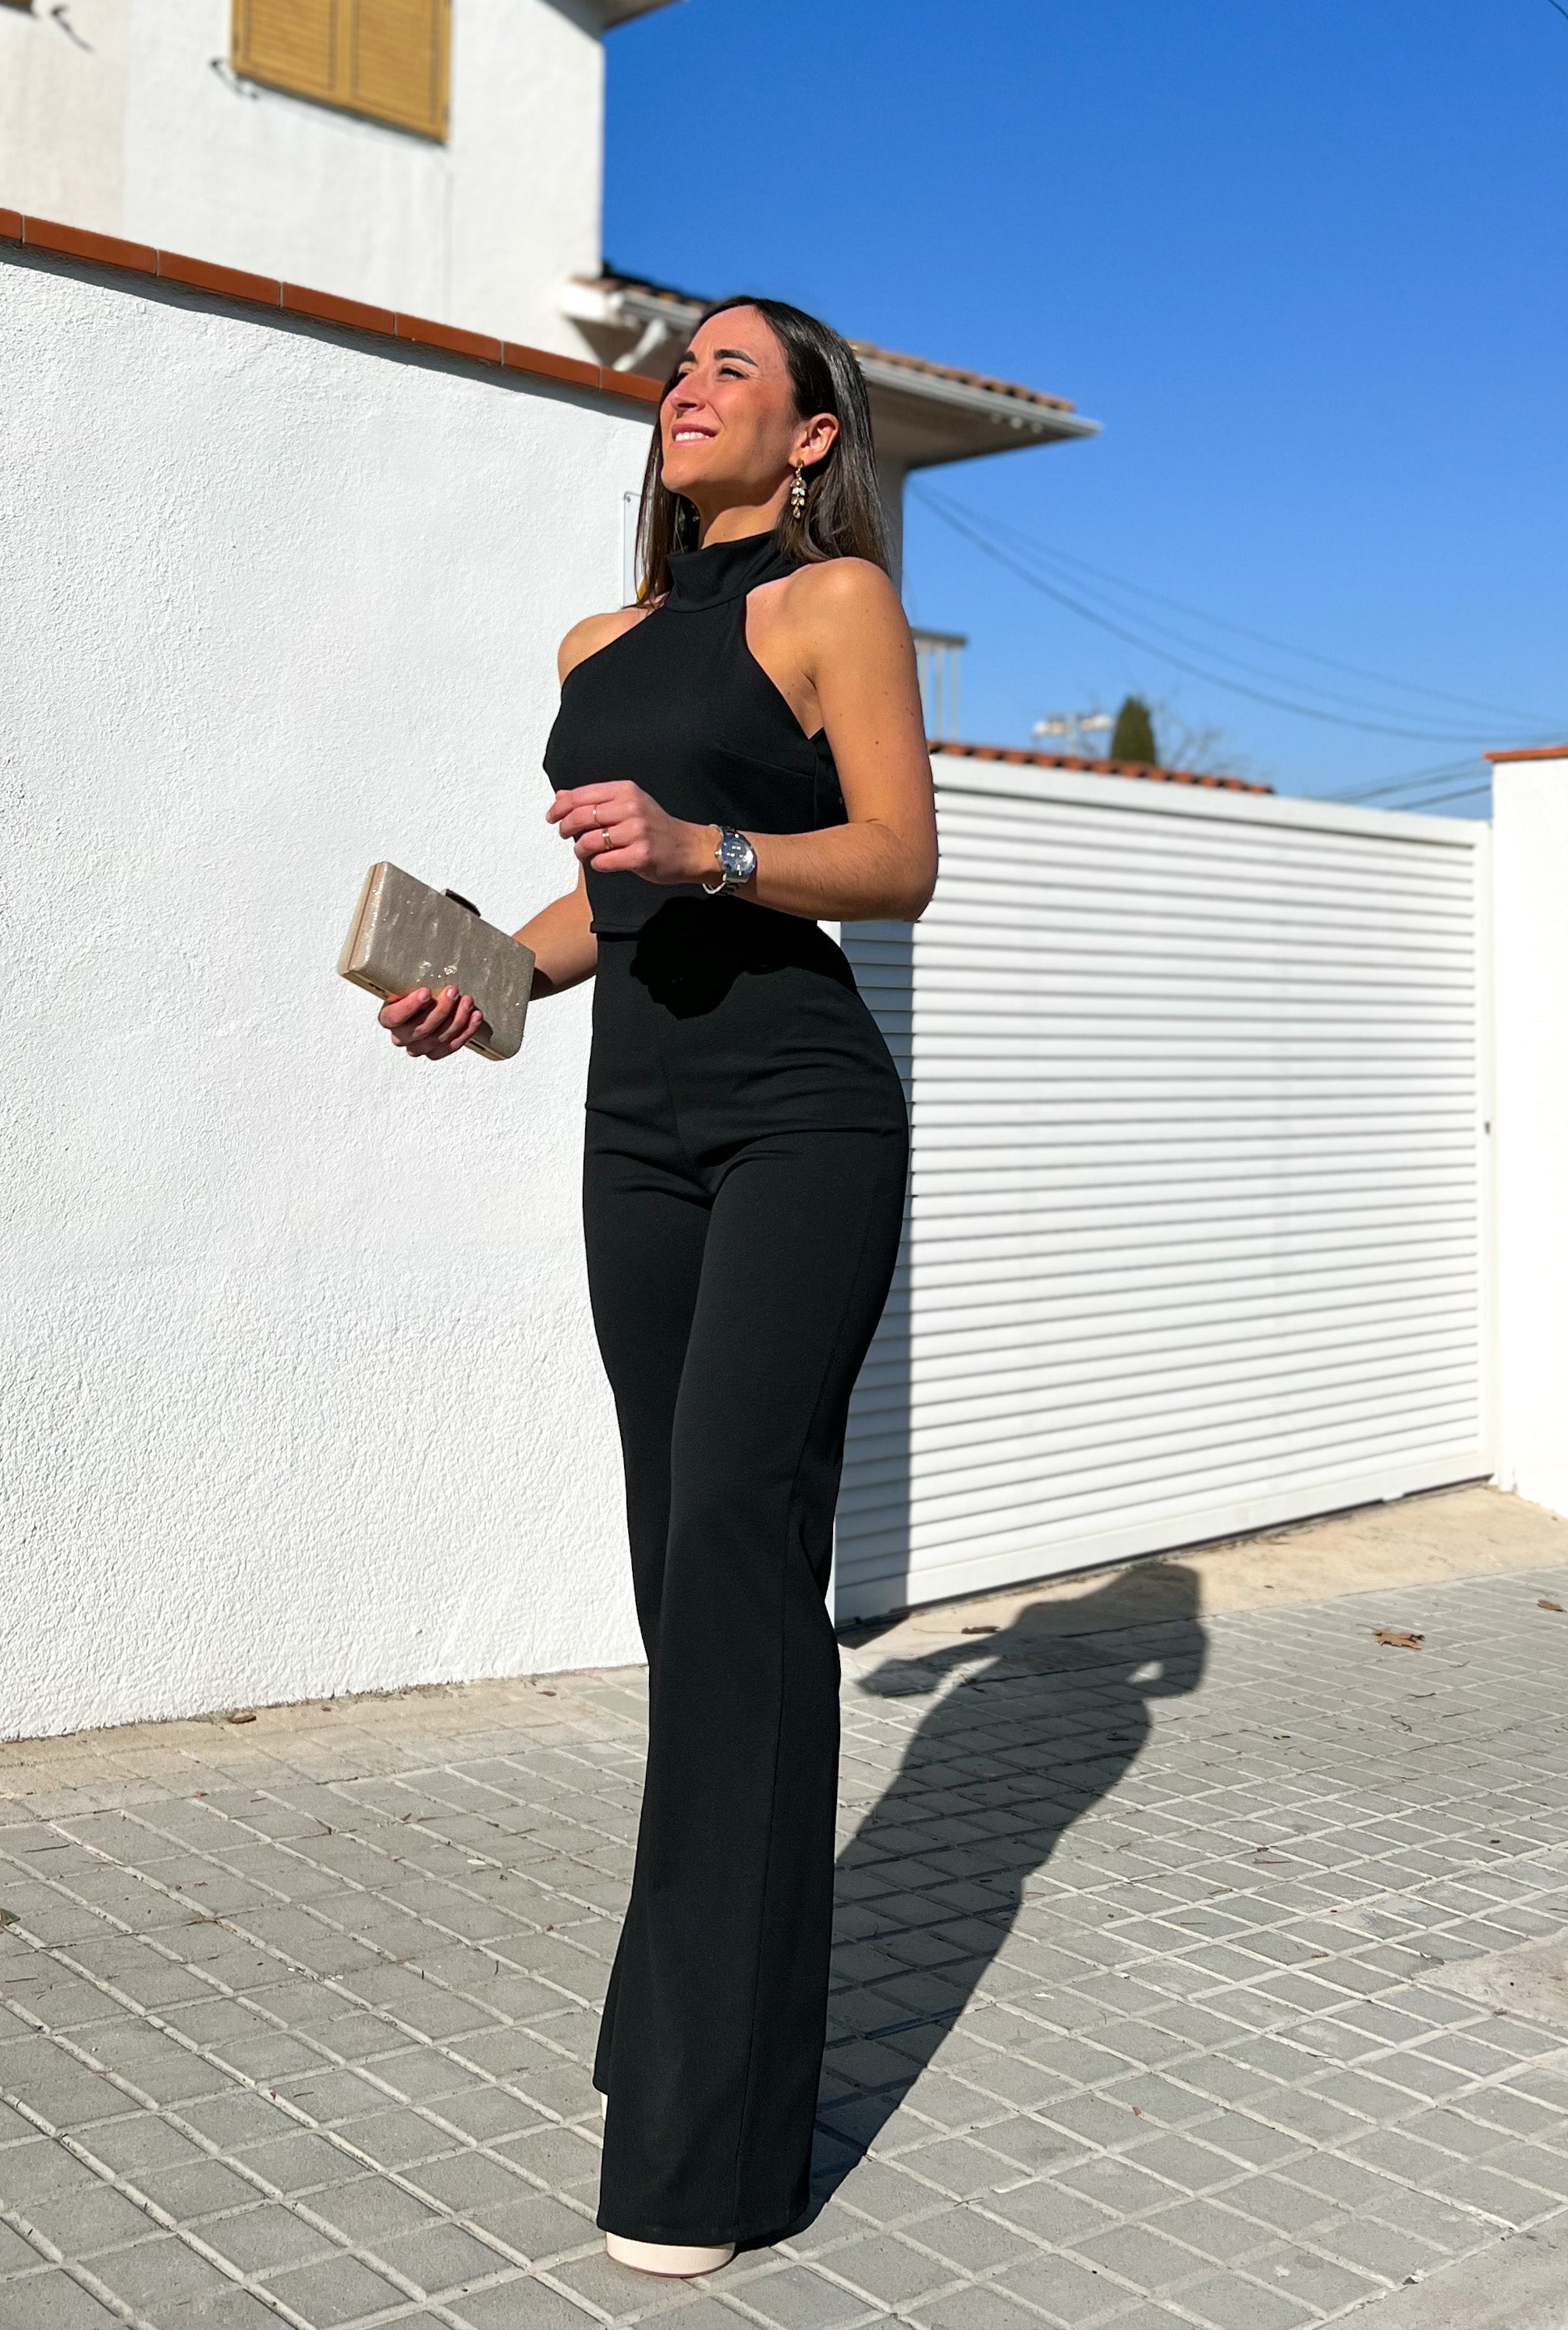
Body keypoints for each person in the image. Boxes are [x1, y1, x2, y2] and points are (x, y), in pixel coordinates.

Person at [378, 300, 936, 2271]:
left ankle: (713, 2143)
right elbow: (597, 899)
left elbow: (894, 860)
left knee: (732, 1547)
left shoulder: (832, 601)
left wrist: (710, 848)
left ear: (803, 440)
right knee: (677, 1580)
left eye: (732, 374)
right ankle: (688, 2023)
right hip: (637, 1139)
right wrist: (491, 976)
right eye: (677, 368)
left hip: (801, 1121)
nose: (686, 386)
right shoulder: (598, 648)